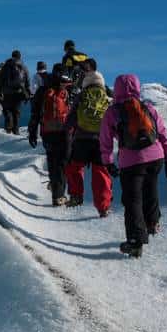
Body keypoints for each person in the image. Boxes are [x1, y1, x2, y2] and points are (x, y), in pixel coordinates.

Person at [100, 73, 167, 258]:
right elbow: (163, 134)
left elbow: (105, 141)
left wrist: (108, 162)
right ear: (137, 87)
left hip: (131, 162)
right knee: (151, 190)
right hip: (156, 158)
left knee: (132, 200)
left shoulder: (113, 112)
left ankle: (135, 241)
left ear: (116, 90)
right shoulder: (148, 108)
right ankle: (152, 223)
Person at [65, 60, 112, 216]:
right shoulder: (106, 97)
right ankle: (103, 207)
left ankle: (76, 196)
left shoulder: (81, 95)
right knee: (101, 173)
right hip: (101, 141)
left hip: (81, 139)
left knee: (75, 167)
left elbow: (70, 118)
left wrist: (67, 132)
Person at [28, 68, 70, 205]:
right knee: (62, 163)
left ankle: (55, 190)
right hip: (64, 132)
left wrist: (32, 133)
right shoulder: (66, 90)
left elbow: (35, 114)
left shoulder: (42, 91)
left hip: (47, 132)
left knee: (52, 162)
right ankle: (59, 194)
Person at [0, 50, 31, 135]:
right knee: (16, 111)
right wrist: (28, 92)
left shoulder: (6, 65)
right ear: (20, 57)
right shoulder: (23, 67)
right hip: (19, 92)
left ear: (12, 56)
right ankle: (16, 130)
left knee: (7, 110)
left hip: (7, 92)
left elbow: (1, 79)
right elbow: (27, 80)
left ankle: (9, 125)